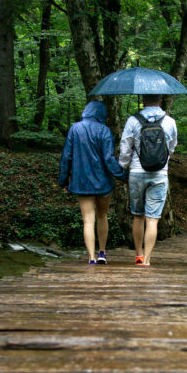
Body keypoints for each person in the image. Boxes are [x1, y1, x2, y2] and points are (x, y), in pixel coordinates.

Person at [59, 100, 128, 264]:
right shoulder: (105, 131)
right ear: (102, 114)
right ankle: (102, 252)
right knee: (102, 216)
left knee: (88, 220)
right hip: (103, 182)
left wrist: (63, 181)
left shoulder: (75, 129)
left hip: (82, 183)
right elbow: (108, 159)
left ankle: (91, 258)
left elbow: (66, 157)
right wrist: (123, 176)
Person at [119, 94, 178, 266]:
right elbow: (171, 148)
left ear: (143, 101)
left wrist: (123, 167)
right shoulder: (170, 122)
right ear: (160, 101)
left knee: (138, 216)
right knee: (152, 219)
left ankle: (138, 255)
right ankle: (147, 259)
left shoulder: (133, 120)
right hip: (160, 174)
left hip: (137, 172)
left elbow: (125, 148)